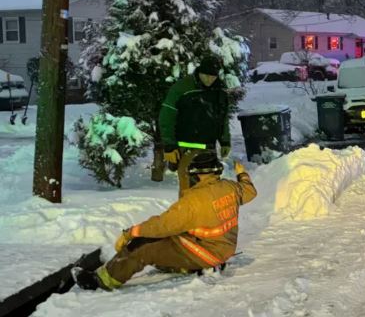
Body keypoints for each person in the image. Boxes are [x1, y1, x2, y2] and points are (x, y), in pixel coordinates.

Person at [74, 153, 257, 291]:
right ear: (216, 171)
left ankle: (102, 281)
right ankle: (183, 266)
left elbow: (161, 226)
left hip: (206, 252)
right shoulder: (230, 187)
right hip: (222, 248)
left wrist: (130, 233)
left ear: (194, 175)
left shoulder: (193, 201)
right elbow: (250, 191)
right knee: (170, 239)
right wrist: (242, 175)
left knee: (144, 245)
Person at [159, 55, 232, 197]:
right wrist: (169, 145)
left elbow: (223, 118)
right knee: (188, 191)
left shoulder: (219, 93)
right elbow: (166, 115)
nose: (210, 80)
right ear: (199, 72)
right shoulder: (182, 88)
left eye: (213, 76)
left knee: (209, 192)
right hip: (185, 148)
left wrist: (225, 141)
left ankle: (207, 218)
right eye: (206, 75)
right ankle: (186, 217)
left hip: (209, 149)